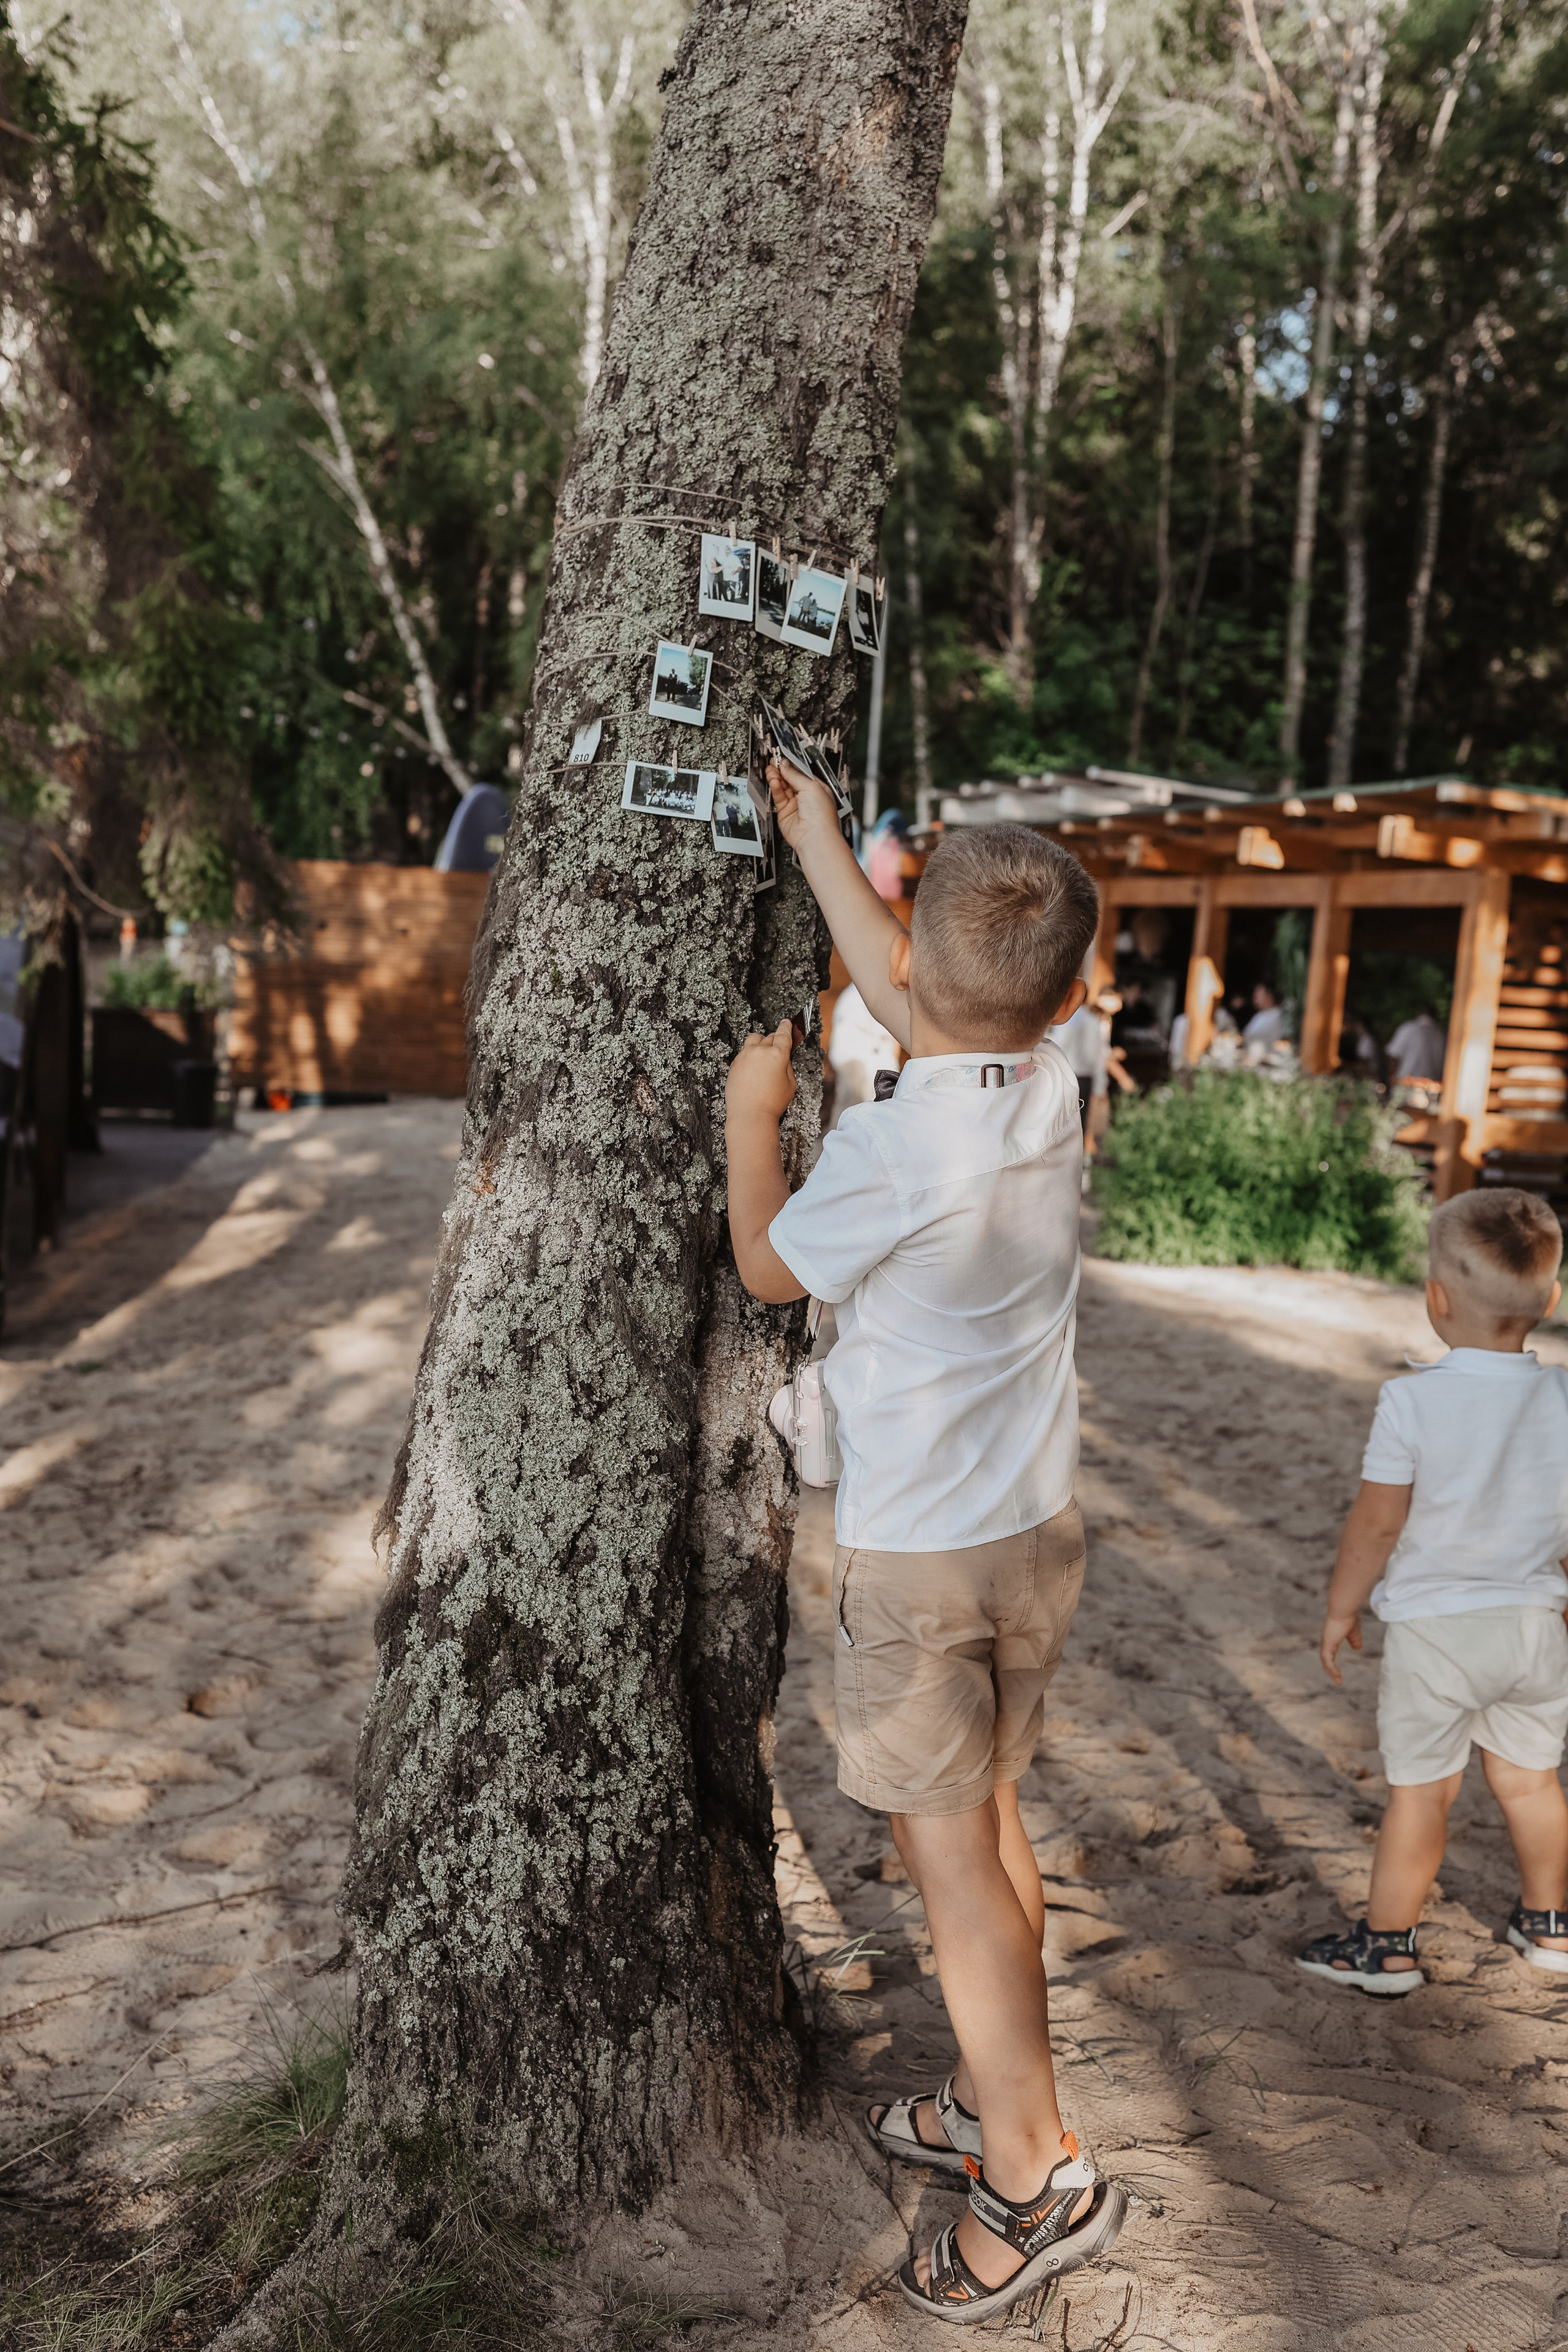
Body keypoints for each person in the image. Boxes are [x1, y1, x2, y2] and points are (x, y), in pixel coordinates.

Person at [725, 760, 1126, 2320]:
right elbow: (926, 998)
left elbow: (765, 1268)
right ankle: (985, 2096)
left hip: (921, 1563)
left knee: (947, 1860)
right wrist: (821, 842)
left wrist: (753, 1118)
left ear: (913, 964)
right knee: (992, 1826)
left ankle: (1031, 2175)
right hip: (1032, 1536)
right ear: (1069, 989)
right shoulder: (1047, 1081)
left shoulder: (890, 1149)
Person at [1298, 1187, 1568, 1997]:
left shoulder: (1412, 1400)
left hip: (1435, 1633)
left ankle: (1386, 1947)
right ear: (1549, 1301)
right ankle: (1550, 1926)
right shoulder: (1562, 1399)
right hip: (1532, 1627)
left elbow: (1378, 1524)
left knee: (1423, 1794)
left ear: (1435, 1300)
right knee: (1532, 1784)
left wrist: (1344, 1606)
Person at [1386, 1002, 1447, 1087]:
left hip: (1406, 1085)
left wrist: (1392, 1077)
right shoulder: (1441, 1035)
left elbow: (1394, 1055)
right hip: (1432, 1087)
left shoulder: (1408, 1028)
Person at [1242, 981, 1286, 1050]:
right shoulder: (1260, 1015)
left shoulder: (1277, 1015)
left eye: (1259, 992)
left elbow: (1253, 1037)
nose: (1255, 996)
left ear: (1269, 996)